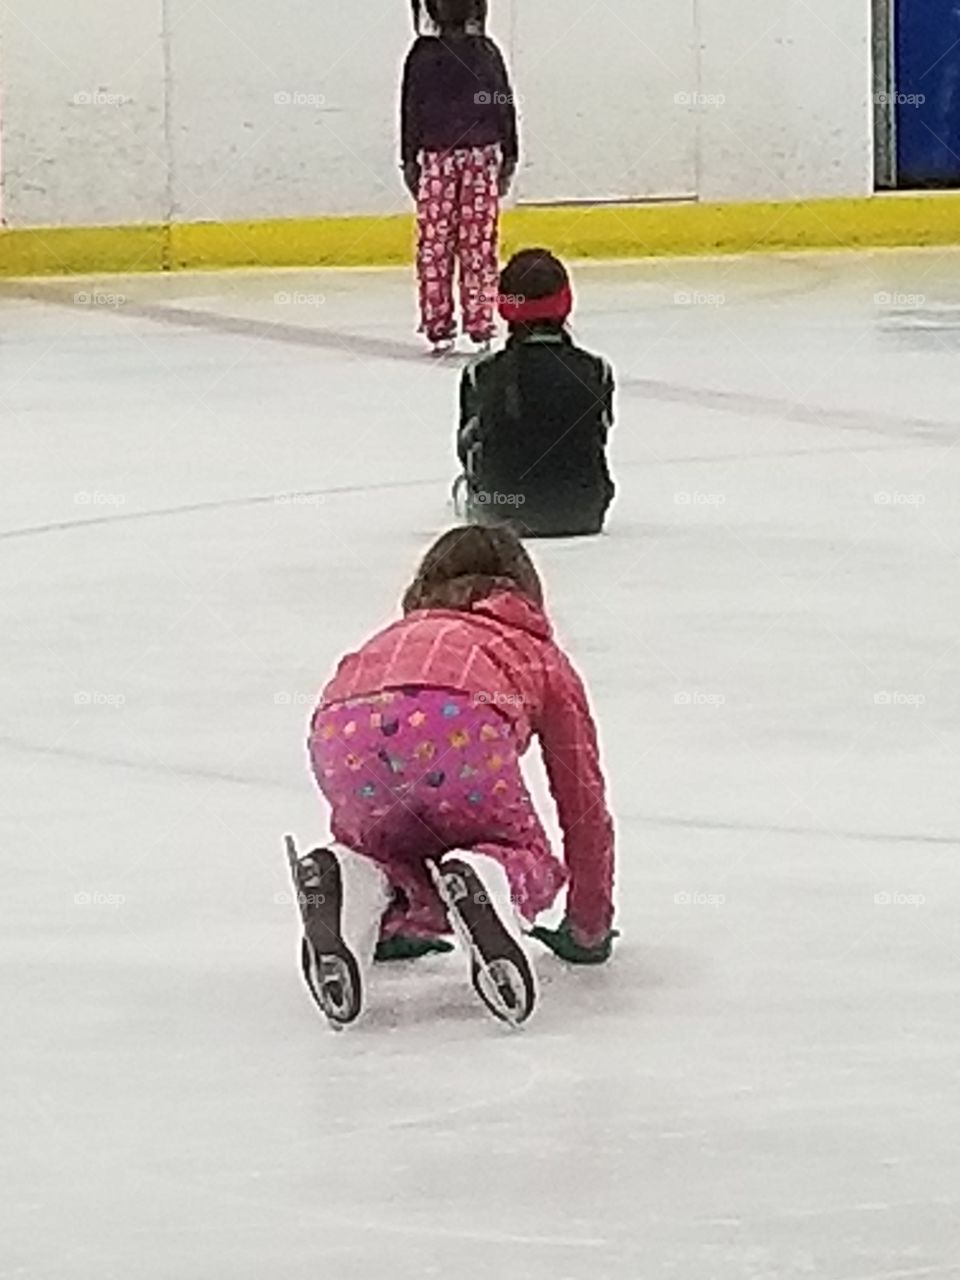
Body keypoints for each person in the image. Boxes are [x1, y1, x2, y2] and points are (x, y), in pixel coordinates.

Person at [290, 525, 617, 1028]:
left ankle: (350, 881)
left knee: (383, 852)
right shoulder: (537, 652)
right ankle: (490, 877)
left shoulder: (391, 637)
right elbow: (582, 800)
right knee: (526, 857)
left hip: (341, 728)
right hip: (459, 727)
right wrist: (589, 926)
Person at [456, 249, 616, 536]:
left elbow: (468, 445)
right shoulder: (596, 370)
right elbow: (598, 435)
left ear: (505, 306)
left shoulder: (481, 373)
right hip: (583, 513)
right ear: (566, 302)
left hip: (502, 515)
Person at [401, 0, 519, 353]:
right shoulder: (484, 51)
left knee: (437, 244)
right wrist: (510, 154)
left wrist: (408, 159)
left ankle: (441, 322)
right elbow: (504, 104)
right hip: (476, 156)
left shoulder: (423, 54)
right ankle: (478, 321)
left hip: (442, 157)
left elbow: (410, 109)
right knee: (477, 243)